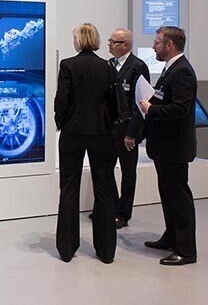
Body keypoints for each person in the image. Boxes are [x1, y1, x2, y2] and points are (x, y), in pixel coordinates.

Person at [55, 23, 116, 264]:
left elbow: (62, 99)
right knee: (104, 188)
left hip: (73, 130)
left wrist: (61, 122)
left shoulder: (68, 65)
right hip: (101, 131)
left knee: (69, 186)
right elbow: (113, 101)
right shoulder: (107, 66)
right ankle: (106, 250)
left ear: (79, 40)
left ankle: (67, 248)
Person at [140, 26, 197, 266]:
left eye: (157, 43)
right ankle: (171, 237)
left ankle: (186, 250)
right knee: (168, 195)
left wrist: (151, 109)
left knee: (179, 198)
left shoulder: (182, 72)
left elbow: (180, 109)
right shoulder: (170, 69)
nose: (153, 47)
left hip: (175, 147)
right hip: (165, 147)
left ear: (170, 45)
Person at [107, 28, 150, 228]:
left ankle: (123, 213)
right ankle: (110, 207)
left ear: (126, 45)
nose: (109, 45)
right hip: (109, 129)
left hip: (127, 131)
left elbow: (140, 103)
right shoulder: (108, 65)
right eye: (109, 41)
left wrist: (132, 133)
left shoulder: (138, 67)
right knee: (105, 169)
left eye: (113, 42)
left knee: (128, 172)